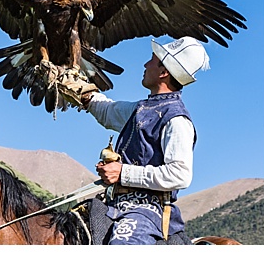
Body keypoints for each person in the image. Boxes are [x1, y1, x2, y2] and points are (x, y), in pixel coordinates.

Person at [79, 37, 206, 244]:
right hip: (114, 202)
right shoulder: (141, 109)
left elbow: (180, 175)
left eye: (151, 60)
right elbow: (108, 112)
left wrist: (123, 172)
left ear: (164, 72)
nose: (145, 65)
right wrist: (80, 91)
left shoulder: (177, 119)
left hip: (148, 210)